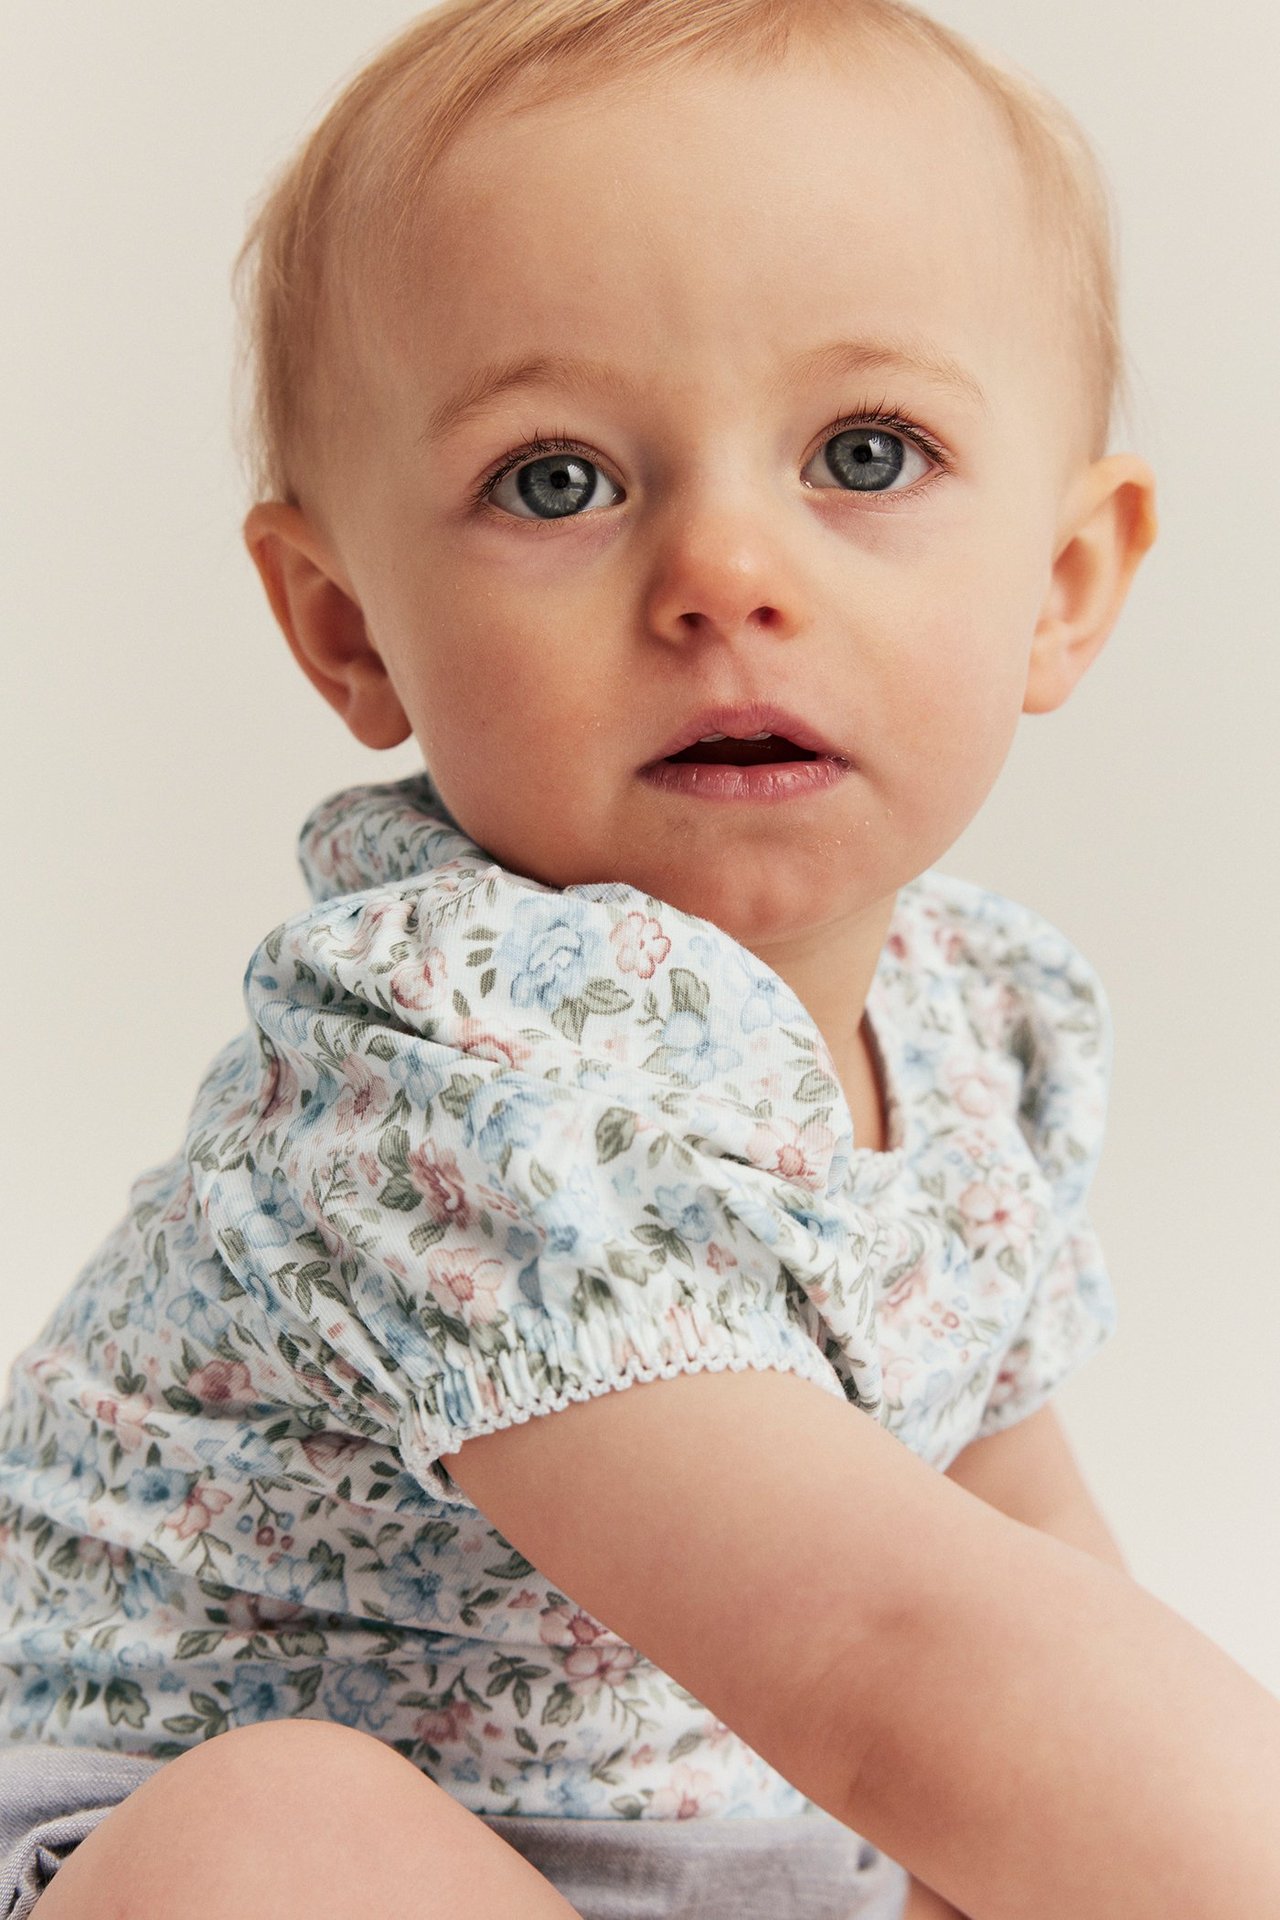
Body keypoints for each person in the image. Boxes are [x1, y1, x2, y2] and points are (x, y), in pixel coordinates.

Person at [1, 0, 1278, 1915]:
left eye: (865, 449)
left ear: (1065, 586)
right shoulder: (436, 1068)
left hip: (734, 1846)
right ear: (349, 628)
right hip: (173, 1844)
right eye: (558, 481)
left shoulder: (982, 1018)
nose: (723, 573)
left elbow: (1019, 1556)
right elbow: (890, 1652)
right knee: (282, 1841)